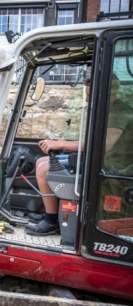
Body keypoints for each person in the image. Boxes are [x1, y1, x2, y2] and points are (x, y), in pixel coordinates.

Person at [26, 74, 129, 236]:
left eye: (89, 94)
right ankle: (50, 213)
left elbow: (105, 145)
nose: (87, 99)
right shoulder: (110, 109)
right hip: (100, 161)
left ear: (106, 92)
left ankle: (52, 220)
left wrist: (61, 144)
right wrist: (63, 141)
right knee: (41, 162)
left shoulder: (118, 113)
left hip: (111, 168)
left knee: (45, 168)